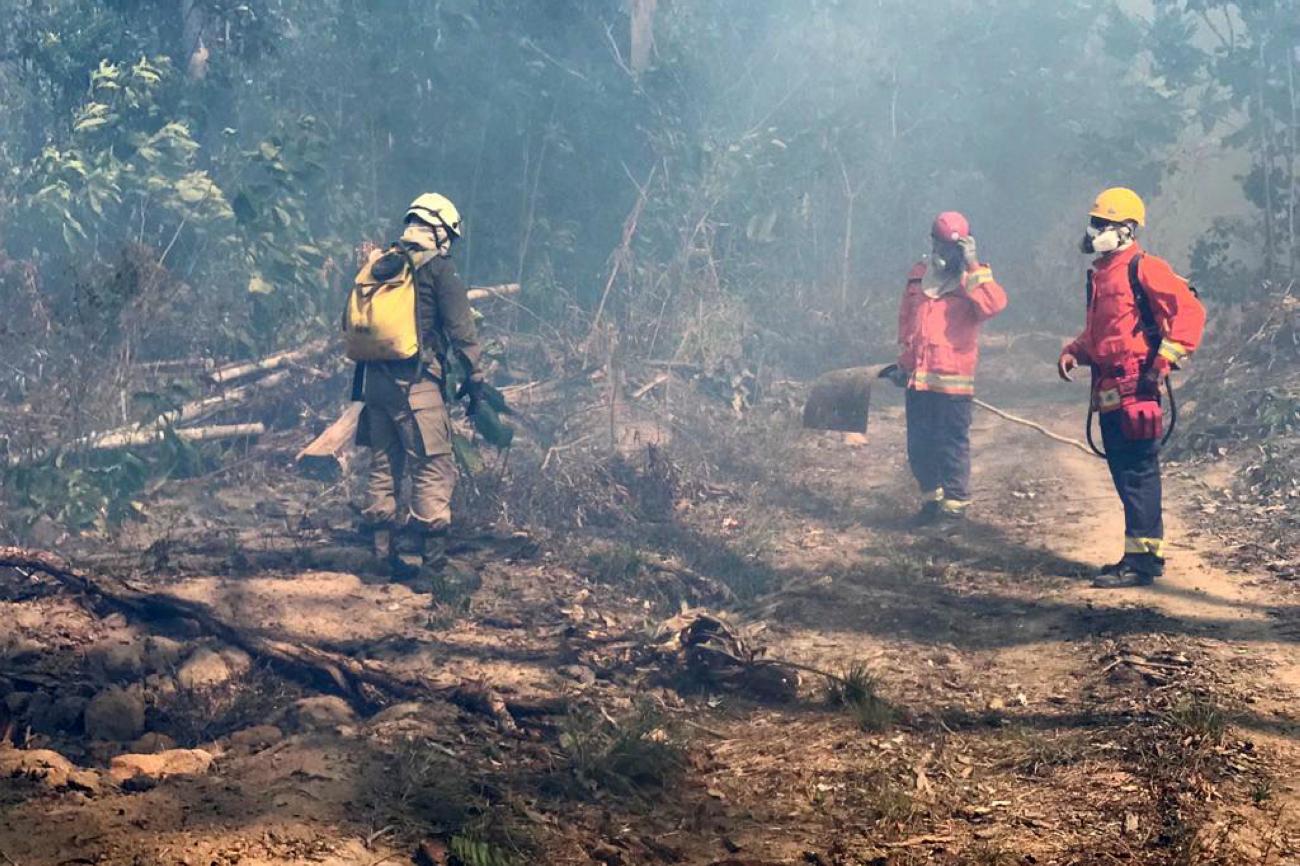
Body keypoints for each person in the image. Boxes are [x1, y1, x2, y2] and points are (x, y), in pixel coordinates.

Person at [1058, 187, 1205, 588]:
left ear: (1126, 229)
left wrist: (1166, 358)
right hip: (1108, 385)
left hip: (1137, 383)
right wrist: (1075, 351)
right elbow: (1105, 333)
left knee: (1138, 471)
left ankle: (1143, 564)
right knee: (1124, 470)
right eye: (1094, 223)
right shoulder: (1104, 273)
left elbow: (1189, 311)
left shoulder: (1144, 267)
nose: (1094, 231)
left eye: (1103, 225)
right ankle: (1136, 555)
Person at [352, 192, 484, 591]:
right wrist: (475, 379)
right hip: (415, 382)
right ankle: (434, 566)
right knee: (432, 464)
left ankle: (381, 557)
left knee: (383, 463)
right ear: (441, 231)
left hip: (374, 382)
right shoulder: (438, 270)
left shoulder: (382, 263)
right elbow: (462, 330)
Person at [889, 211, 1007, 525]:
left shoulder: (974, 278)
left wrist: (972, 263)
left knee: (951, 447)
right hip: (919, 379)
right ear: (933, 242)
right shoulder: (918, 274)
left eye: (954, 247)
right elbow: (907, 321)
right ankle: (931, 503)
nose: (946, 253)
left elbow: (995, 305)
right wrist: (903, 363)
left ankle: (954, 511)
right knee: (919, 446)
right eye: (942, 245)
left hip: (954, 382)